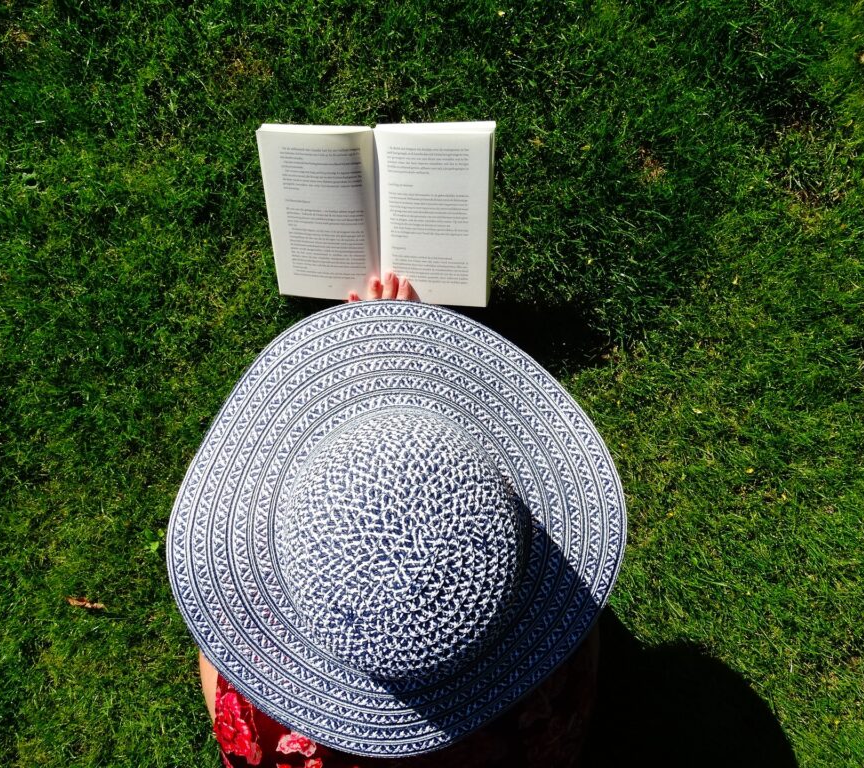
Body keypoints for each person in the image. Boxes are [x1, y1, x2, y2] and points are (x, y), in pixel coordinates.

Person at [193, 272, 603, 768]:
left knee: (227, 656)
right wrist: (400, 338)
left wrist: (372, 346)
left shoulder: (278, 732)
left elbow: (225, 660)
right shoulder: (539, 691)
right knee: (574, 629)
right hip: (512, 735)